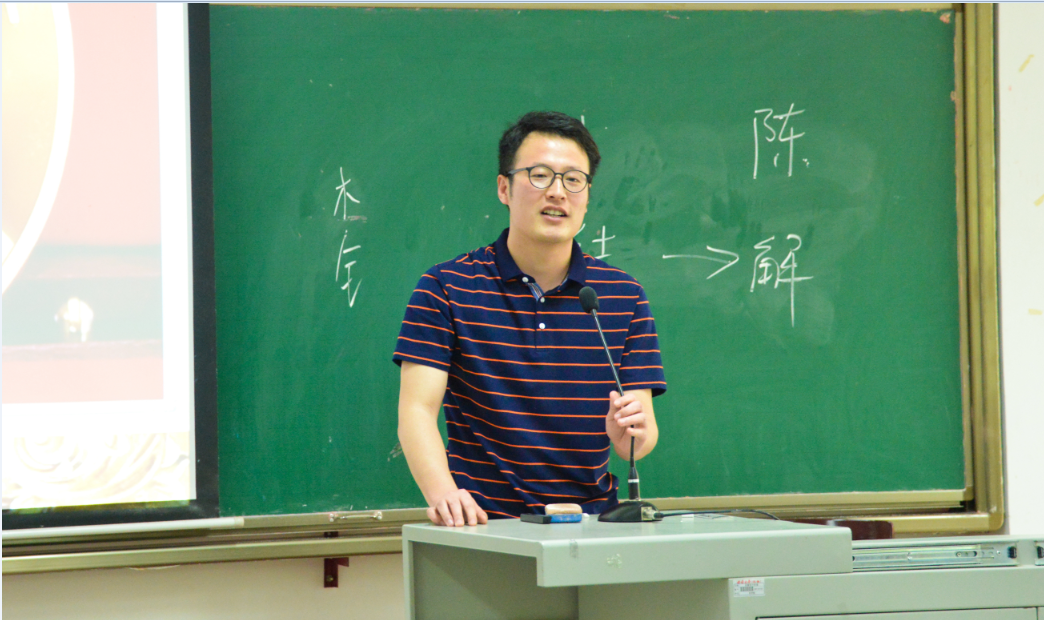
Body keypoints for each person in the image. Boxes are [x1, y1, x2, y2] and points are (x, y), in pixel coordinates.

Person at [393, 111, 666, 526]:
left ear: (587, 196)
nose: (557, 193)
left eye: (573, 180)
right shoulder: (446, 288)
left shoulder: (622, 296)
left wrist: (631, 436)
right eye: (540, 176)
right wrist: (444, 494)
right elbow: (416, 410)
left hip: (594, 527)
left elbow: (641, 437)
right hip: (485, 527)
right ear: (504, 188)